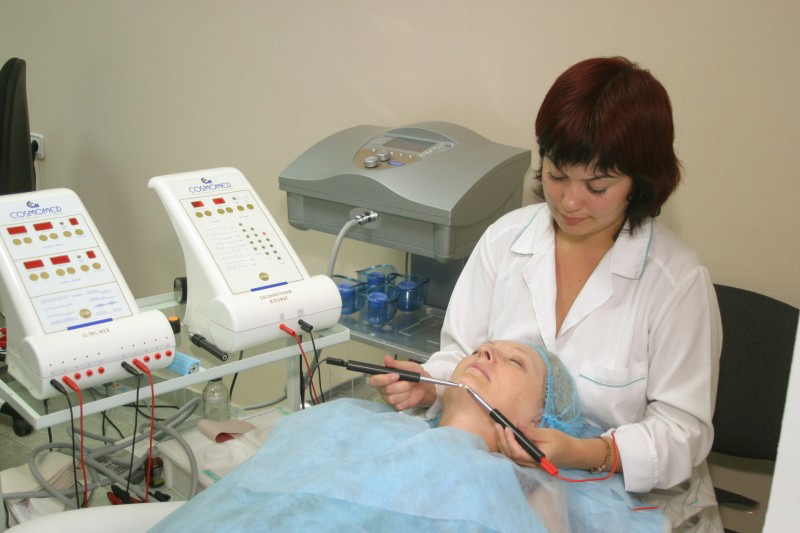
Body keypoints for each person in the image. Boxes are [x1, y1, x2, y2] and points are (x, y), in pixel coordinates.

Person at [370, 57, 722, 532]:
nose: (570, 202)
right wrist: (431, 383)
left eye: (597, 186)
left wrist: (591, 452)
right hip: (491, 478)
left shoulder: (676, 281)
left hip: (616, 497)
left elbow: (683, 432)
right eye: (557, 175)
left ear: (639, 185)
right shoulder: (505, 240)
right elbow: (459, 351)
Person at [152, 341, 666, 532]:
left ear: (540, 423)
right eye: (482, 349)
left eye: (515, 362)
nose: (486, 352)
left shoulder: (519, 491)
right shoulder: (356, 419)